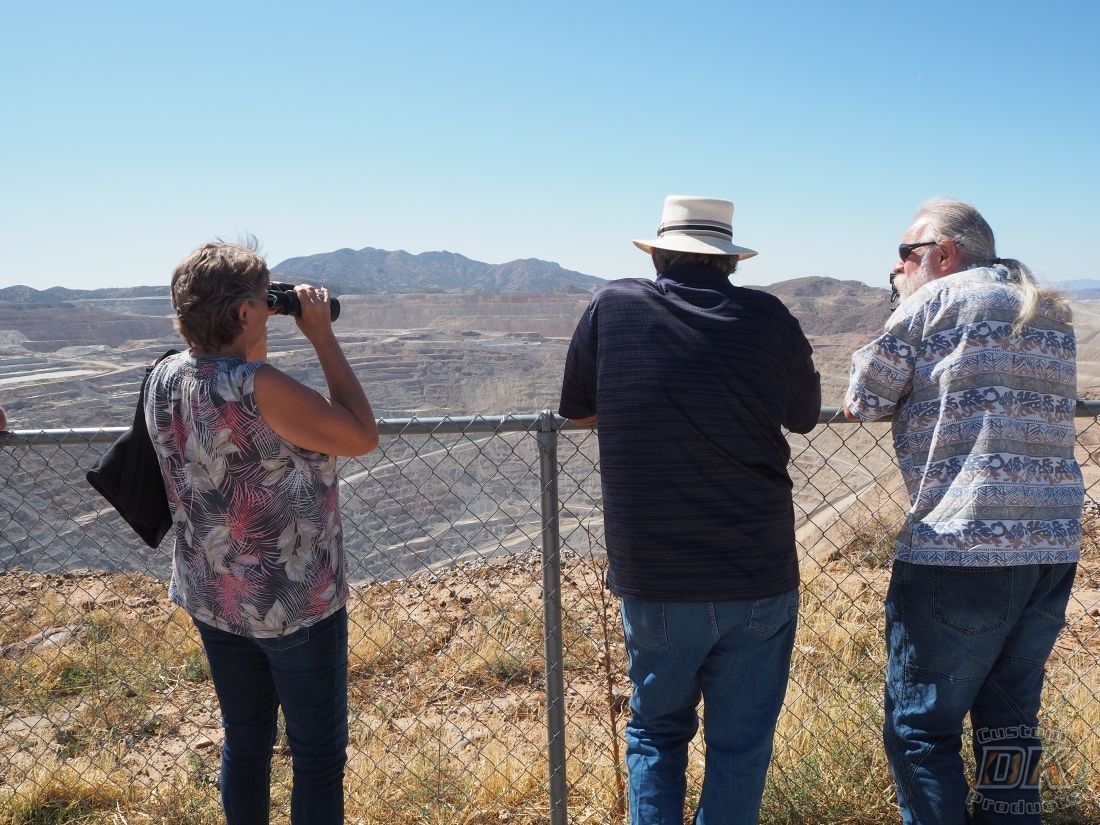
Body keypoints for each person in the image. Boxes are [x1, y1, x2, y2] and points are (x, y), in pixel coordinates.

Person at [559, 195, 821, 824]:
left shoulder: (611, 307)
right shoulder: (770, 317)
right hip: (756, 573)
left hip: (656, 578)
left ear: (659, 252)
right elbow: (805, 417)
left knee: (656, 732)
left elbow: (579, 409)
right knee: (740, 745)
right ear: (728, 258)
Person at [845, 199, 1083, 825]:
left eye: (904, 255)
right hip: (1050, 543)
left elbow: (863, 398)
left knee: (924, 725)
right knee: (1010, 723)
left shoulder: (935, 300)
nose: (897, 267)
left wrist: (898, 302)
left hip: (960, 545)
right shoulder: (1049, 307)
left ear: (942, 254)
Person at [145, 240, 379, 825]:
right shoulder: (260, 386)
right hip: (294, 604)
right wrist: (321, 334)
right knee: (316, 756)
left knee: (245, 743)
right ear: (247, 312)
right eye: (263, 298)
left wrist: (261, 322)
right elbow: (360, 434)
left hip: (215, 597)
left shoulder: (165, 377)